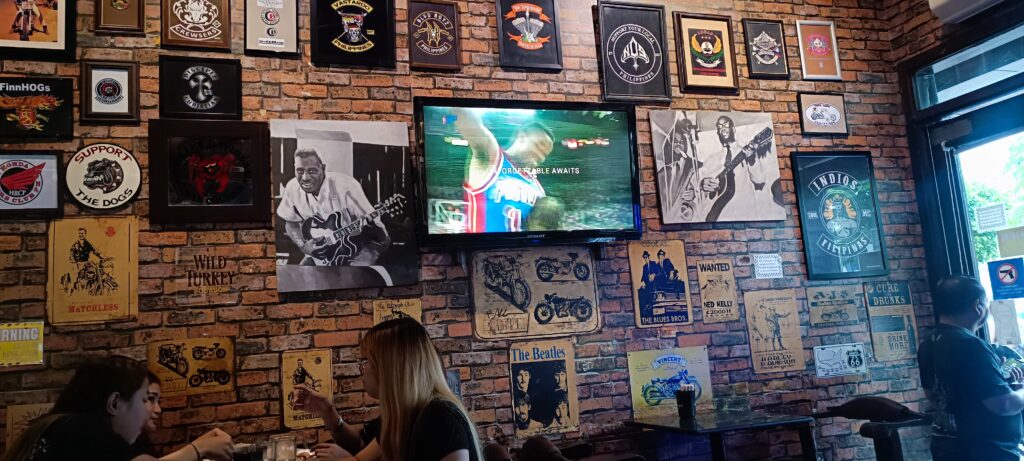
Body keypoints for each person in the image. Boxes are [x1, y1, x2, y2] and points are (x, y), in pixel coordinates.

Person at [295, 318, 481, 461]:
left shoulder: (439, 417)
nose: (362, 369)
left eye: (367, 360)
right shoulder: (404, 414)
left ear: (389, 367)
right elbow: (360, 449)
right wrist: (328, 412)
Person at [2, 358, 231, 461]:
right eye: (145, 399)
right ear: (113, 403)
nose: (151, 410)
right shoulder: (84, 431)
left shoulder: (60, 427)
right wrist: (199, 449)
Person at [919, 276, 1024, 461]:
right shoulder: (971, 345)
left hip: (948, 448)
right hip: (985, 452)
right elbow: (1003, 405)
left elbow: (932, 393)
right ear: (977, 306)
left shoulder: (928, 344)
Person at [276, 148, 390, 267]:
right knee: (299, 275)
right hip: (325, 251)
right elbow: (291, 222)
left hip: (362, 245)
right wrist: (303, 245)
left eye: (312, 170)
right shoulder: (292, 187)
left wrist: (370, 237)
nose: (305, 178)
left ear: (323, 168)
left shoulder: (347, 187)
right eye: (300, 171)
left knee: (352, 275)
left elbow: (377, 232)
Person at [452, 108, 556, 233]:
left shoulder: (539, 190)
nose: (541, 157)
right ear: (522, 137)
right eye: (538, 146)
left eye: (545, 154)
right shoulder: (493, 157)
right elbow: (464, 118)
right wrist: (449, 116)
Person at [697, 116, 781, 222]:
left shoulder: (747, 152)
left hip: (743, 213)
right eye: (719, 127)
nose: (722, 128)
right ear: (718, 132)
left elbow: (760, 180)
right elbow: (696, 183)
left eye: (726, 125)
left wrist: (751, 159)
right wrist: (702, 184)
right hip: (717, 215)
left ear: (733, 129)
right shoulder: (713, 158)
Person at [139, 370, 234, 461]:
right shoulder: (130, 444)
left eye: (158, 401)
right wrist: (200, 447)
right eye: (150, 398)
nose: (158, 410)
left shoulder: (139, 440)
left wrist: (203, 442)